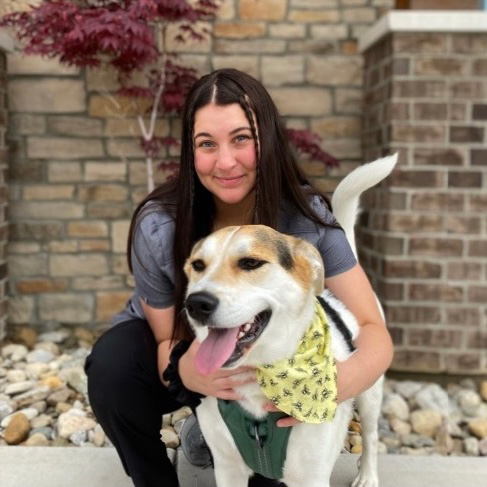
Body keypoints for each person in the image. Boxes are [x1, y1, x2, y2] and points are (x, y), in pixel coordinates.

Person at [85, 68, 393, 487]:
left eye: (241, 139)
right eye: (206, 144)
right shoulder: (160, 225)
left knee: (269, 472)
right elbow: (163, 339)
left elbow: (372, 327)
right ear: (190, 152)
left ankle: (208, 431)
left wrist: (337, 384)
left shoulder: (306, 223)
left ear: (266, 139)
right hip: (190, 351)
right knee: (112, 366)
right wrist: (188, 374)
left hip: (270, 362)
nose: (225, 161)